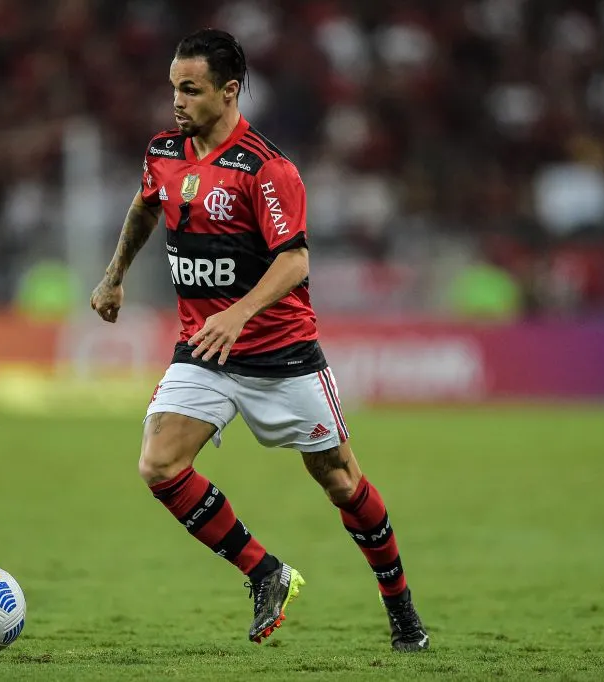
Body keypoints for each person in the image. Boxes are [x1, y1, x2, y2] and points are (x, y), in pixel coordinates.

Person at [90, 28, 429, 651]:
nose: (177, 102)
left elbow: (294, 263)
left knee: (341, 483)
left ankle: (402, 611)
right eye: (173, 88)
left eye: (190, 90)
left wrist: (239, 313)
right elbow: (146, 207)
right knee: (159, 464)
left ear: (229, 91)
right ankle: (266, 573)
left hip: (281, 355)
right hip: (205, 350)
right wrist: (114, 277)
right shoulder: (163, 151)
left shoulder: (267, 169)